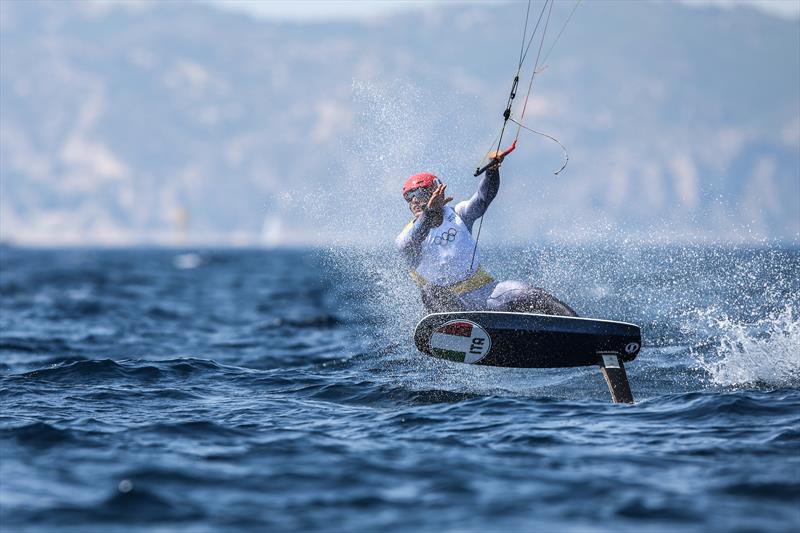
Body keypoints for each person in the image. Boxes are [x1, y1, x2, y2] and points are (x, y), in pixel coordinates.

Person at [395, 153, 577, 316]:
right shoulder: (405, 238)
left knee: (528, 293)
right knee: (429, 292)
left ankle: (581, 331)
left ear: (437, 191)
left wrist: (492, 171)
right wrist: (429, 212)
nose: (415, 200)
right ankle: (464, 332)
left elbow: (482, 199)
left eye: (419, 193)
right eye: (409, 197)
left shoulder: (459, 214)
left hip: (486, 293)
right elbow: (412, 241)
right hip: (451, 305)